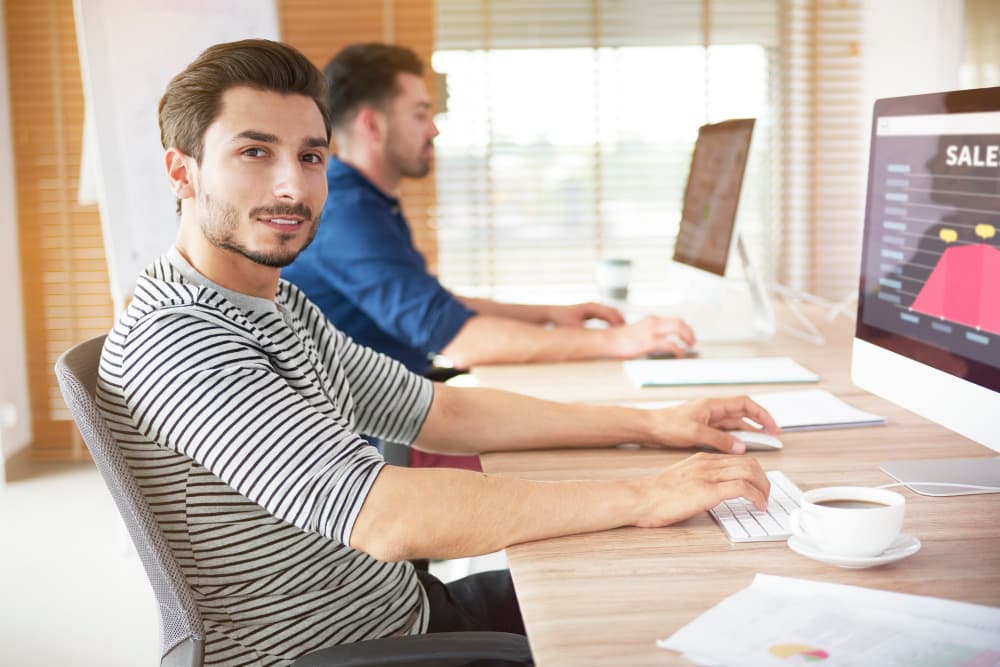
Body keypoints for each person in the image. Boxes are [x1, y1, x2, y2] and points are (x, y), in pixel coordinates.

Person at [97, 38, 777, 666]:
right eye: (254, 152)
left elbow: (439, 411)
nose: (293, 187)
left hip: (404, 611)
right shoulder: (179, 339)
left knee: (668, 589)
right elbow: (388, 517)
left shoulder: (275, 302)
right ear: (181, 172)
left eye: (310, 156)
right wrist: (642, 494)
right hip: (350, 650)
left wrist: (652, 425)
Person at [282, 42, 698, 470]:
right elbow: (460, 340)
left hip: (400, 417)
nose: (434, 130)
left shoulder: (366, 200)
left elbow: (434, 305)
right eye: (421, 114)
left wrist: (549, 315)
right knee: (583, 463)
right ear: (373, 124)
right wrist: (618, 342)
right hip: (369, 448)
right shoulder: (347, 213)